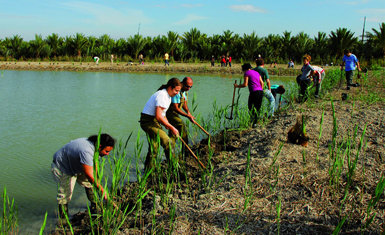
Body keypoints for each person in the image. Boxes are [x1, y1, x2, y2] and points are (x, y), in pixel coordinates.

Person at [51, 134, 116, 222]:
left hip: (77, 164)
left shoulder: (96, 147)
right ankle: (63, 220)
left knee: (90, 184)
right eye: (106, 151)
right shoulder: (87, 150)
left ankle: (95, 206)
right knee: (65, 195)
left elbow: (94, 164)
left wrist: (97, 178)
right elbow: (89, 174)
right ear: (100, 146)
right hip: (63, 167)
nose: (107, 154)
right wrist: (102, 190)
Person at [140, 78, 182, 173]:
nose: (177, 93)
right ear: (170, 88)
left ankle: (148, 170)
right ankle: (174, 169)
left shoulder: (167, 96)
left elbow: (162, 115)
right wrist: (172, 127)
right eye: (176, 90)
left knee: (154, 147)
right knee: (168, 142)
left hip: (153, 121)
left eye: (179, 91)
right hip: (148, 122)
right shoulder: (162, 95)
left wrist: (168, 126)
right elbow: (159, 116)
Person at [166, 77, 195, 156]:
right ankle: (185, 152)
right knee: (181, 126)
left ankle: (172, 152)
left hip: (175, 113)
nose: (189, 88)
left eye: (190, 87)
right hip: (170, 113)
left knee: (173, 133)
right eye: (187, 86)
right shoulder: (177, 92)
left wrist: (189, 113)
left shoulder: (184, 91)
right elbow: (175, 108)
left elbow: (184, 104)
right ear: (182, 83)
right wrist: (186, 116)